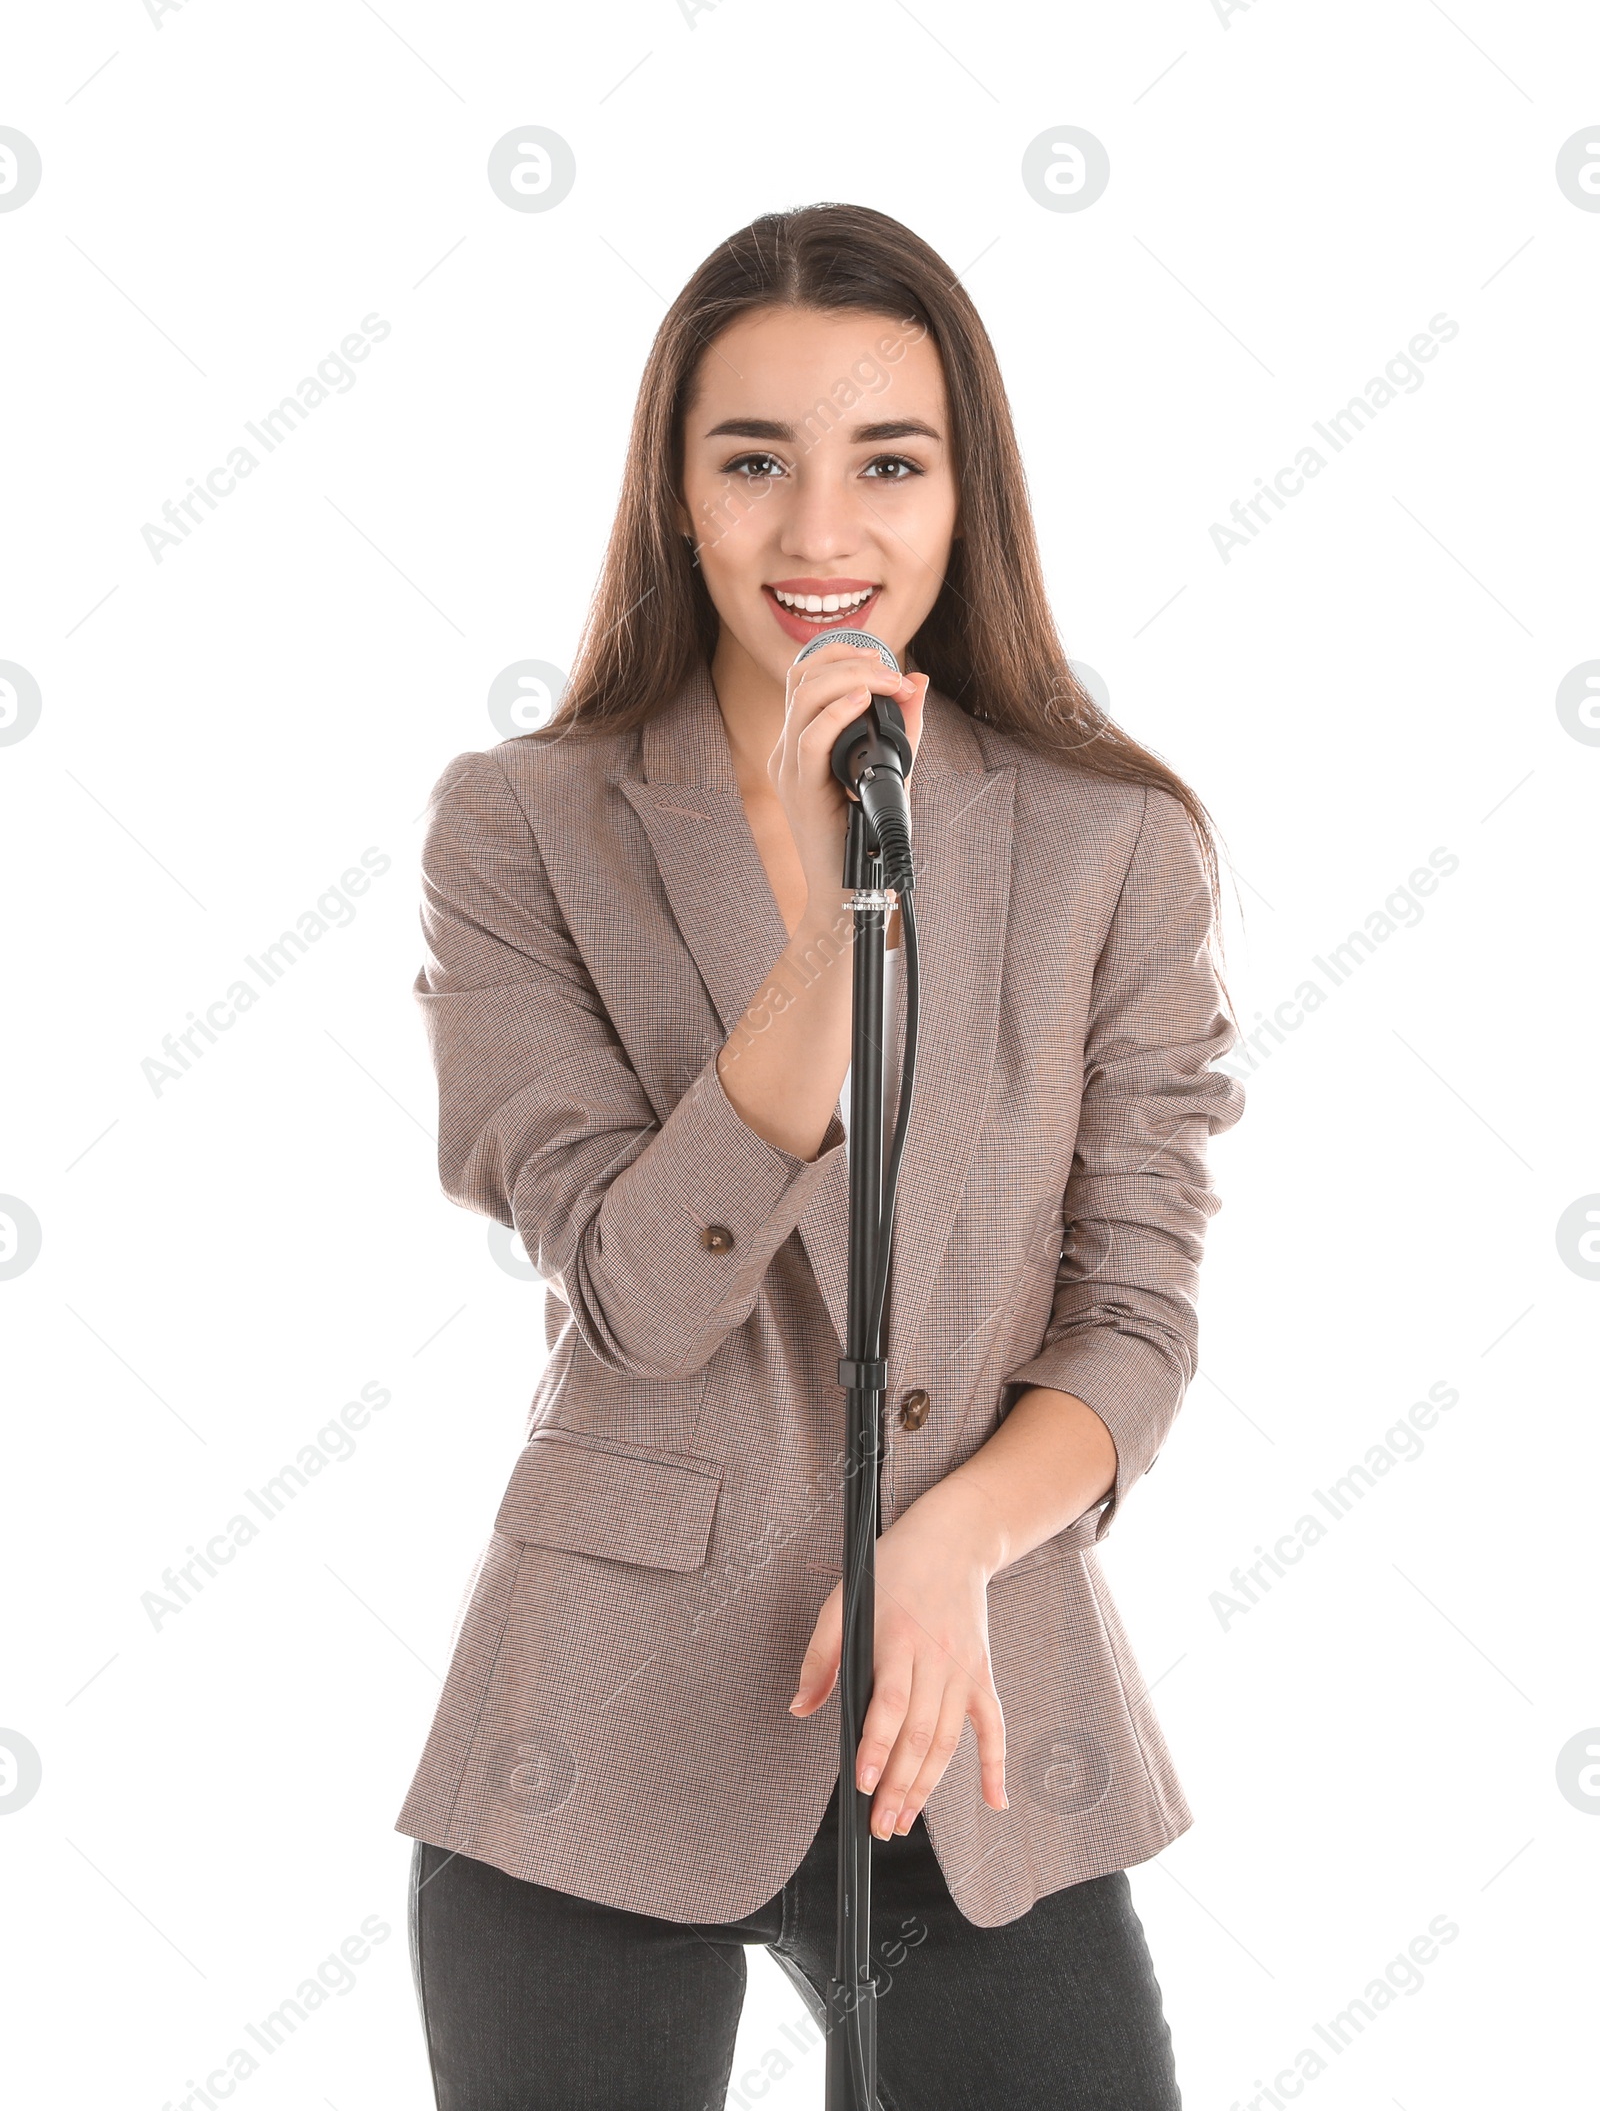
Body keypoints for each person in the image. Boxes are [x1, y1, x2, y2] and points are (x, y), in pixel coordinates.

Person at [395, 202, 1246, 2109]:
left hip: (977, 1695)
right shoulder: (524, 828)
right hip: (600, 1713)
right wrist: (826, 939)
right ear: (676, 493)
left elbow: (1136, 1319)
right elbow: (633, 1299)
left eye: (889, 463)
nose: (819, 536)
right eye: (753, 461)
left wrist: (949, 1540)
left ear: (968, 494)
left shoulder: (1113, 848)